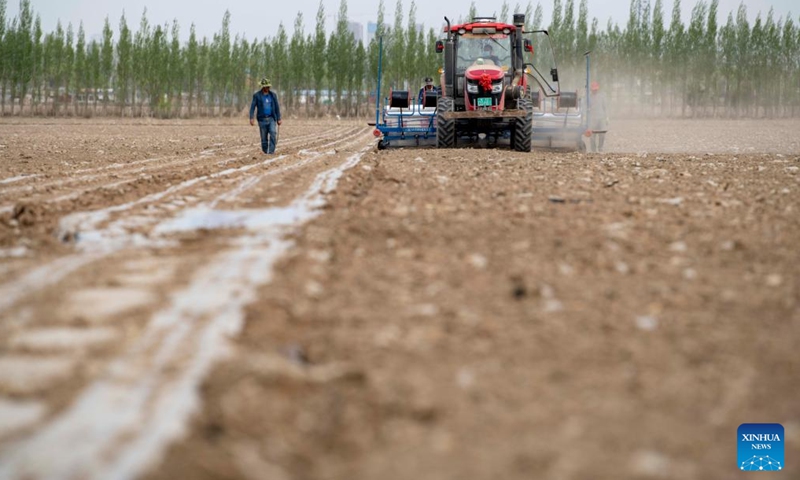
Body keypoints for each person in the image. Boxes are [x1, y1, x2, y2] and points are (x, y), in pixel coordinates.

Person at [249, 77, 282, 154]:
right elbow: (252, 107)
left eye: (269, 86)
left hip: (271, 118)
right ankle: (264, 153)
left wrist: (279, 118)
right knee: (264, 139)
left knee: (273, 133)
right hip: (262, 120)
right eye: (266, 86)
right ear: (263, 87)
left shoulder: (273, 95)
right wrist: (251, 118)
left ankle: (271, 152)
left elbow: (277, 107)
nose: (268, 88)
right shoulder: (256, 95)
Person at [587, 81, 609, 153]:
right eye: (593, 89)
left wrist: (607, 117)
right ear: (591, 89)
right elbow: (585, 108)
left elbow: (605, 107)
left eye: (596, 89)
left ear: (598, 89)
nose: (595, 91)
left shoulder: (602, 96)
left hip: (601, 117)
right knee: (592, 135)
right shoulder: (588, 97)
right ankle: (593, 150)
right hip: (592, 118)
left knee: (602, 134)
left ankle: (600, 148)